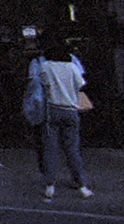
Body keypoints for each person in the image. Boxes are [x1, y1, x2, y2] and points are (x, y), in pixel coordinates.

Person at [31, 33, 94, 200]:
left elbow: (43, 84)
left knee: (50, 149)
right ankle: (81, 185)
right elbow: (81, 85)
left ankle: (50, 186)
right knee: (72, 149)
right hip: (70, 110)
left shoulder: (46, 67)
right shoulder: (72, 67)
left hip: (53, 110)